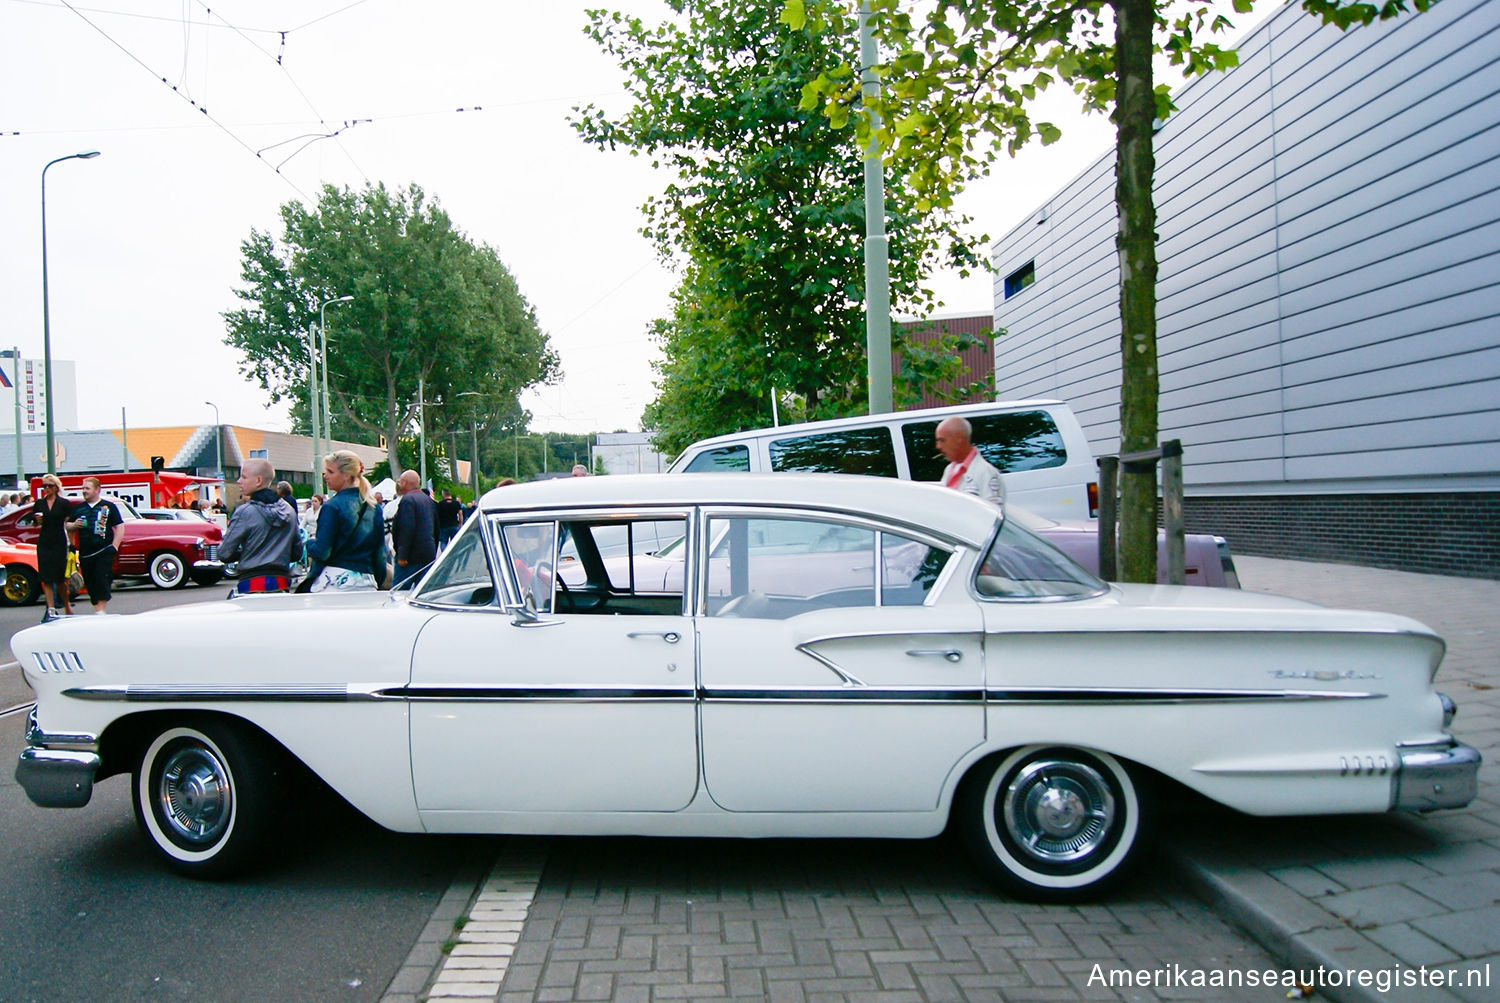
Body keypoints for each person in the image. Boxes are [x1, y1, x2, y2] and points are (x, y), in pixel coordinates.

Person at [305, 450, 388, 592]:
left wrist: (308, 543)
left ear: (346, 475)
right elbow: (380, 553)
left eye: (330, 472)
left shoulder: (332, 507)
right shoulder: (373, 507)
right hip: (366, 581)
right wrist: (379, 581)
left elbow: (322, 551)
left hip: (336, 581)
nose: (325, 476)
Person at [220, 458, 300, 594]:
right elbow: (296, 552)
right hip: (281, 581)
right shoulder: (289, 511)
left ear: (258, 480)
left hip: (252, 582)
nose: (238, 481)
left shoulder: (245, 512)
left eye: (244, 477)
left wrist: (247, 551)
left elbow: (224, 553)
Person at [66, 476, 125, 613]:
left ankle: (101, 610)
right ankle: (97, 609)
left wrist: (114, 546)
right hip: (86, 553)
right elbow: (67, 525)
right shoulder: (79, 508)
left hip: (104, 550)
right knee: (90, 581)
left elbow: (119, 526)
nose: (84, 491)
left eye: (87, 488)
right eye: (83, 488)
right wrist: (74, 525)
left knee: (102, 579)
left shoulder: (108, 506)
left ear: (97, 489)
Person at [31, 474, 75, 618]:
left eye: (49, 486)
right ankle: (50, 608)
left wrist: (72, 544)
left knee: (59, 578)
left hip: (59, 541)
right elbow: (35, 523)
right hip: (44, 541)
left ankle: (67, 605)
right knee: (46, 577)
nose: (46, 488)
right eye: (44, 486)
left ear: (56, 487)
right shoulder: (39, 503)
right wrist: (37, 520)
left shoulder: (64, 503)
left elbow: (69, 525)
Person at [935, 416, 1005, 505]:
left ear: (959, 437)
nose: (938, 446)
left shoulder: (986, 473)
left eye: (942, 440)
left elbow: (993, 514)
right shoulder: (949, 469)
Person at [391, 469, 437, 586]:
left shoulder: (407, 500)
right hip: (428, 555)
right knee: (421, 593)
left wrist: (402, 555)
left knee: (398, 592)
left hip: (410, 557)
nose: (399, 485)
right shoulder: (429, 500)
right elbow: (436, 527)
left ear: (405, 482)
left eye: (400, 482)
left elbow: (407, 528)